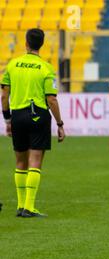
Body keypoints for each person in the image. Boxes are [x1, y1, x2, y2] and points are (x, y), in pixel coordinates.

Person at [1, 28, 65, 218]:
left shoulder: (12, 65)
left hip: (18, 115)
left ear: (26, 43)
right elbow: (51, 99)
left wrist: (7, 119)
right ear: (42, 44)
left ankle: (21, 206)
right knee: (35, 161)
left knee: (20, 161)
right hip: (38, 115)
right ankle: (29, 206)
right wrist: (60, 124)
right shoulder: (46, 68)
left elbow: (4, 94)